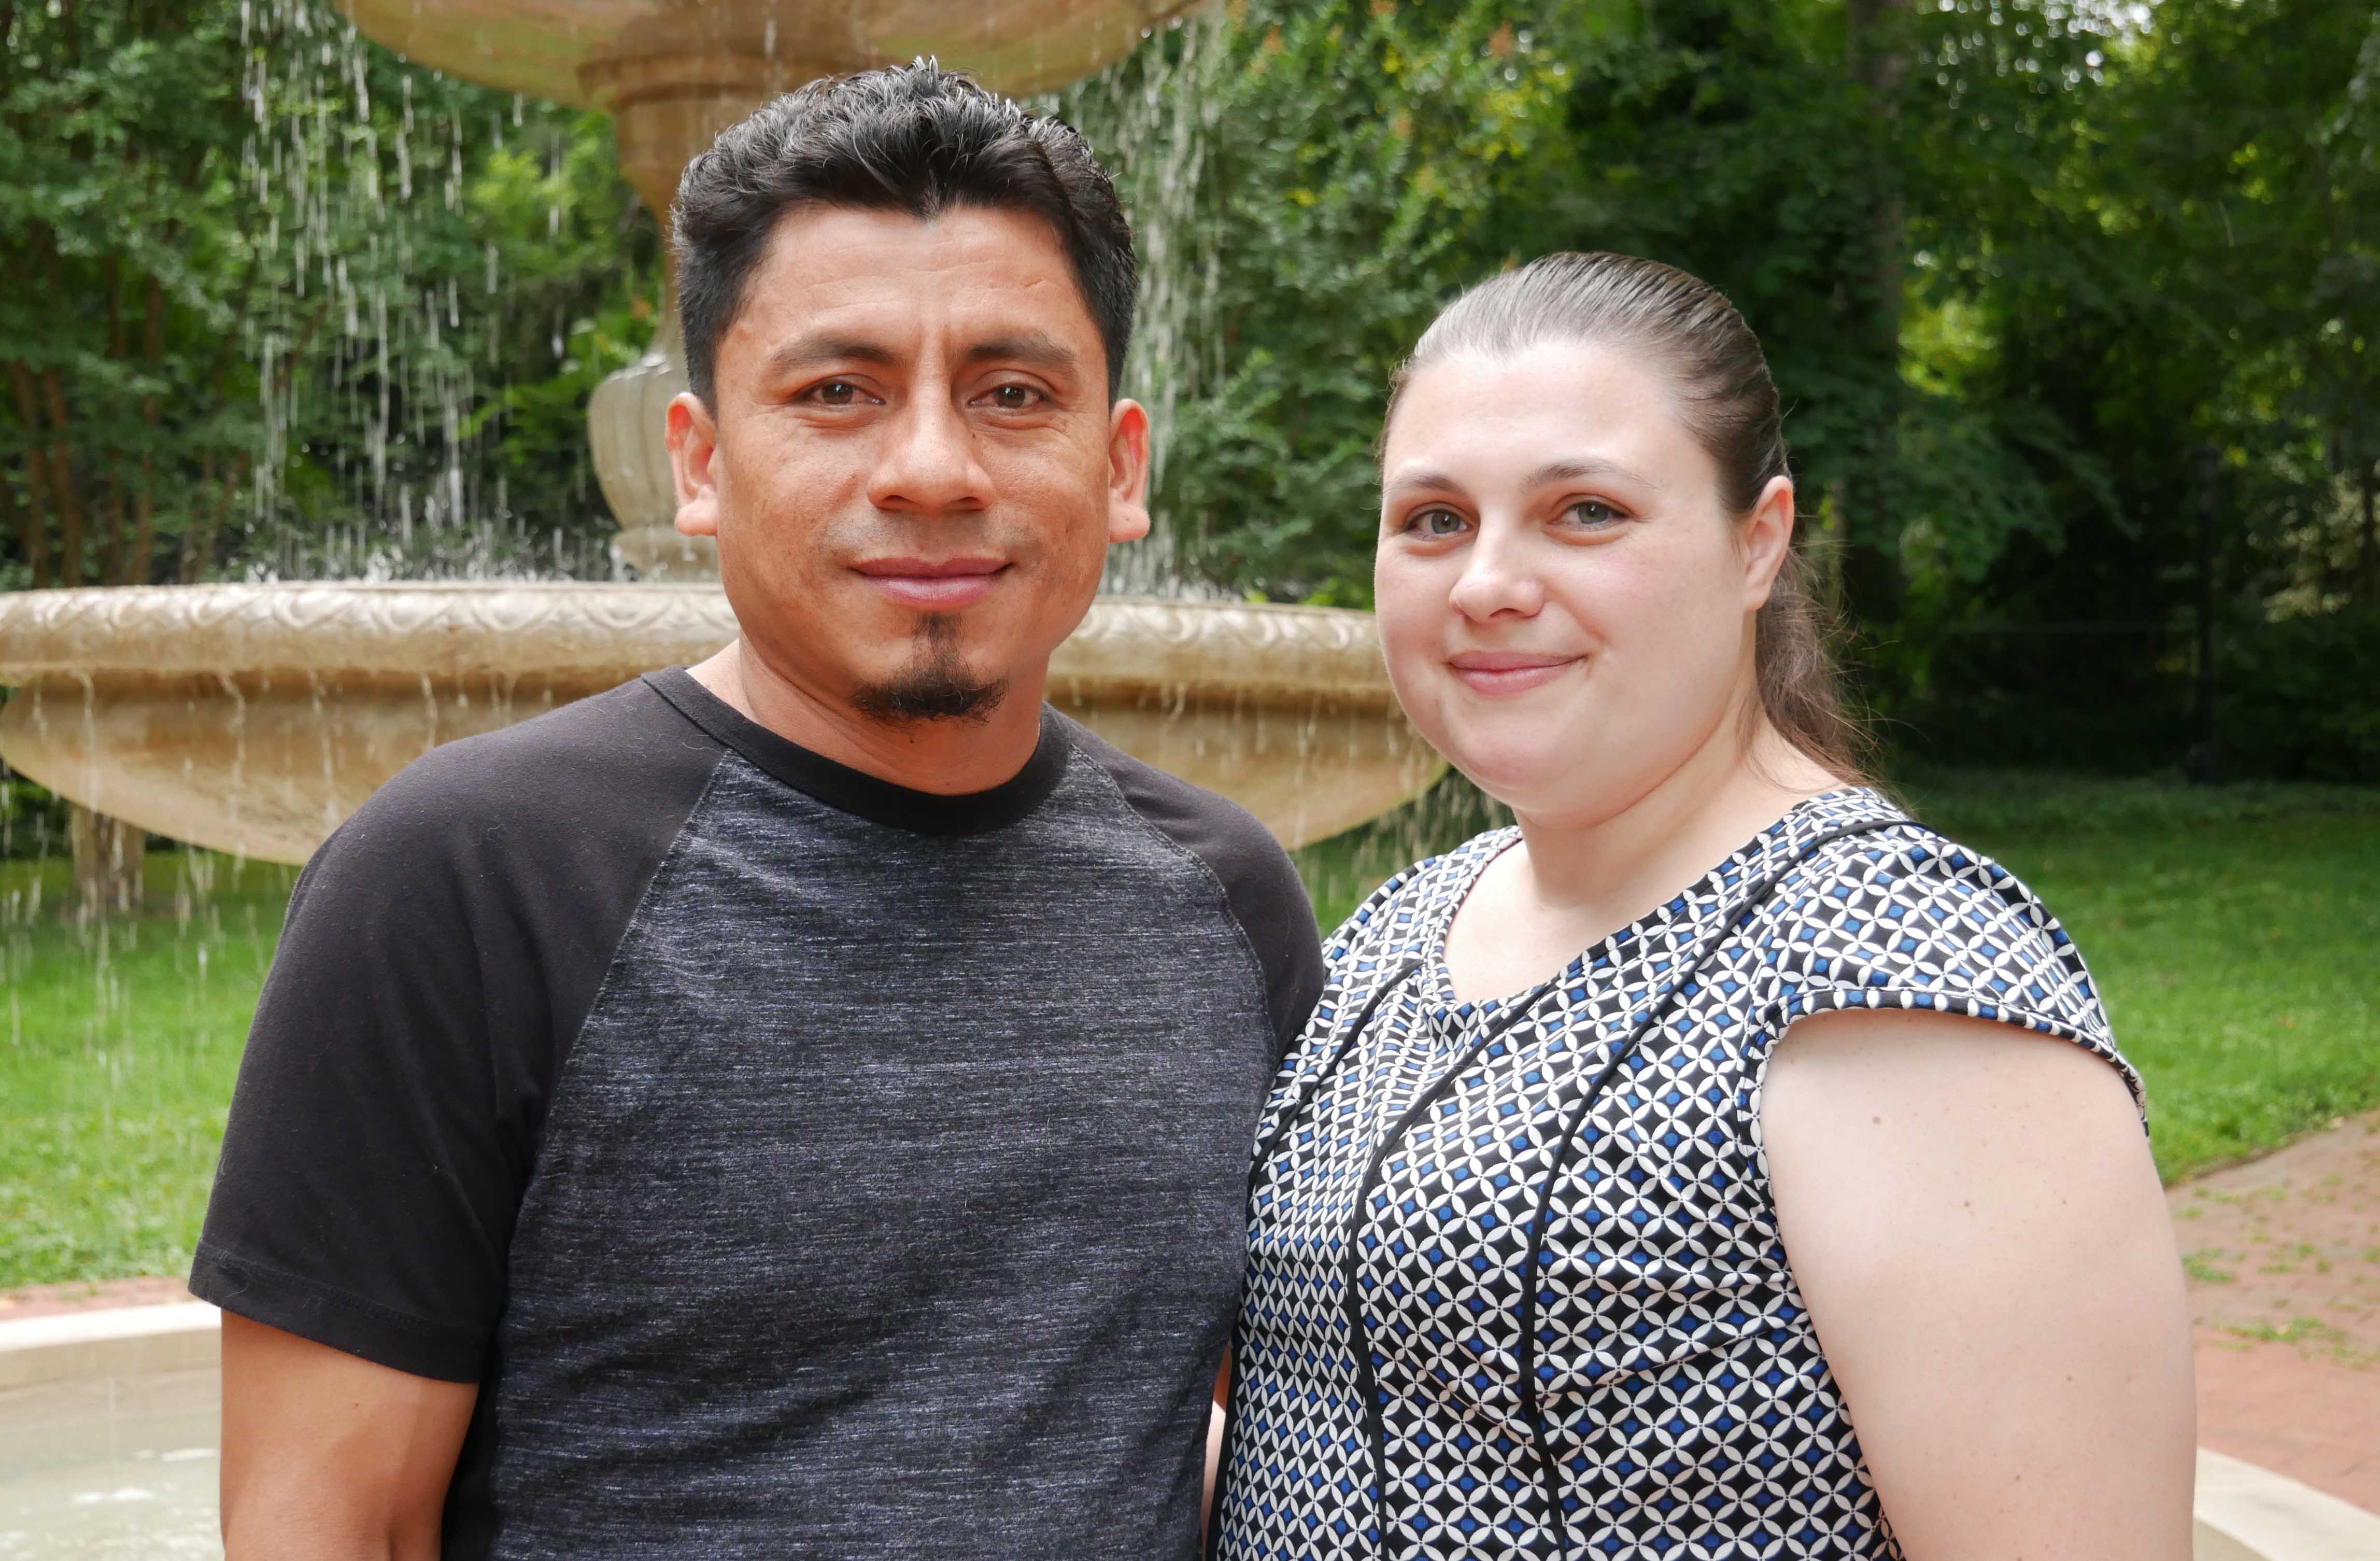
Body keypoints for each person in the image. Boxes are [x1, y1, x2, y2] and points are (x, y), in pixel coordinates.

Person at [194, 63, 1321, 1560]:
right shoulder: (466, 878)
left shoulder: (1229, 901)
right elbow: (328, 1524)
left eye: (1013, 392)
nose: (930, 468)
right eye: (836, 392)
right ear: (702, 462)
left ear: (1117, 467)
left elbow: (1298, 1443)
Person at [1211, 252, 2195, 1560]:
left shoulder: (1889, 965)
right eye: (1434, 520)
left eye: (1587, 512)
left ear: (1759, 543)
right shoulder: (1400, 929)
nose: (1487, 582)